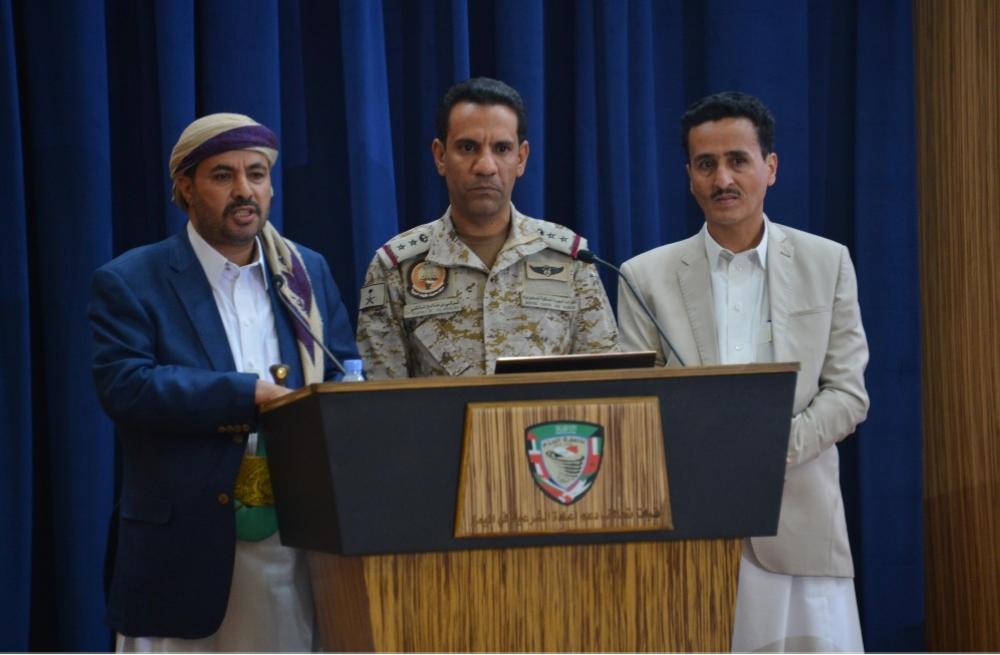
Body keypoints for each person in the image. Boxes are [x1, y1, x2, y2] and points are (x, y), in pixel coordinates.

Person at [88, 113, 358, 651]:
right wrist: (248, 394)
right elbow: (128, 386)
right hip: (182, 546)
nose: (244, 190)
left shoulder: (304, 272)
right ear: (185, 188)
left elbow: (340, 369)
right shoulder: (132, 280)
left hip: (290, 541)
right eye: (222, 175)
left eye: (256, 174)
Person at [617, 92, 869, 652]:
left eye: (738, 160)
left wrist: (769, 451)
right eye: (706, 164)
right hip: (688, 531)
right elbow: (635, 403)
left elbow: (847, 393)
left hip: (800, 526)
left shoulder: (826, 262)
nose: (723, 179)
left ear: (770, 167)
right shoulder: (644, 277)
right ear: (689, 177)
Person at [356, 77, 618, 378]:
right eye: (468, 147)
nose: (485, 166)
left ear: (521, 158)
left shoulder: (570, 259)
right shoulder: (395, 267)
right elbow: (379, 394)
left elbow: (604, 381)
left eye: (502, 148)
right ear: (440, 156)